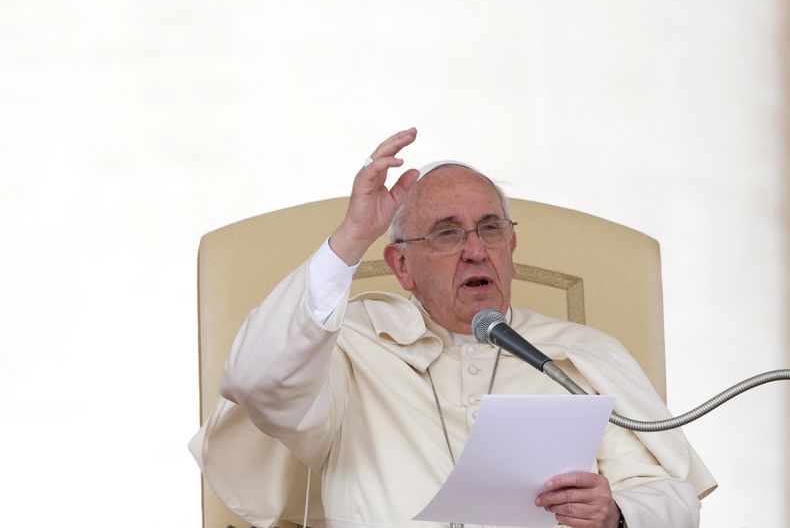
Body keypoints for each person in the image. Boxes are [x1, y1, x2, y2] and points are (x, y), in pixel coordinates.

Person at [191, 128, 716, 528]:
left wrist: (617, 513)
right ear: (401, 266)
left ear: (512, 248)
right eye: (446, 234)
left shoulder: (577, 355)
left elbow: (672, 496)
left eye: (491, 229)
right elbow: (257, 380)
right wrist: (352, 236)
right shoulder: (348, 347)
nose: (475, 250)